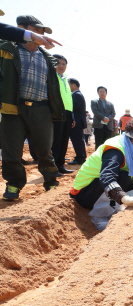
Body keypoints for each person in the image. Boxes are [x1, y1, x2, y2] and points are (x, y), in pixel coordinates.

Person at [0, 15, 64, 201]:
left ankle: (51, 181)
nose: (40, 35)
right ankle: (13, 184)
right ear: (21, 29)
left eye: (42, 32)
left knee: (45, 150)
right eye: (36, 30)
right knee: (11, 150)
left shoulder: (48, 59)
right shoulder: (6, 49)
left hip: (41, 109)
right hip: (13, 107)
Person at [70, 117, 133, 229]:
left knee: (131, 183)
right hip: (84, 193)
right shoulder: (116, 149)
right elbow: (107, 176)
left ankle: (113, 205)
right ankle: (102, 217)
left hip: (97, 189)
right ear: (132, 135)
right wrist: (124, 198)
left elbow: (127, 170)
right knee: (123, 179)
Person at [51, 54, 74, 175]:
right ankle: (53, 168)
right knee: (56, 140)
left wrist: (72, 115)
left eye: (63, 64)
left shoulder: (65, 79)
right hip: (57, 111)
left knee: (64, 140)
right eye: (58, 63)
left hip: (68, 112)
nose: (61, 66)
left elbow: (68, 98)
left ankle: (60, 165)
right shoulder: (51, 77)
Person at [67, 77, 87, 165]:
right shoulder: (78, 94)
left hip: (77, 122)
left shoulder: (77, 94)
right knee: (79, 140)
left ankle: (79, 158)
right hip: (79, 121)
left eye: (69, 84)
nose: (68, 87)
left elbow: (76, 107)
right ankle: (82, 157)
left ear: (74, 85)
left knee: (77, 140)